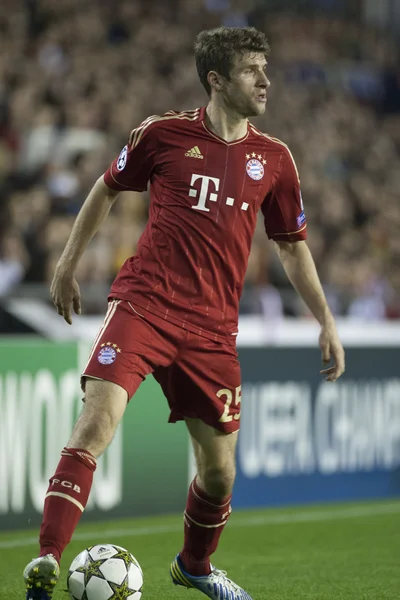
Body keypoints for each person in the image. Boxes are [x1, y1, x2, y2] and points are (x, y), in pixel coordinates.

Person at [23, 26, 345, 600]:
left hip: (213, 332)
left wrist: (325, 319)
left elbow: (291, 245)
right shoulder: (163, 134)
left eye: (265, 69)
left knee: (219, 474)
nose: (266, 81)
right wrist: (67, 265)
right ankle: (47, 560)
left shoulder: (274, 160)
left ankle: (195, 567)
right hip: (144, 305)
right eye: (252, 71)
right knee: (96, 423)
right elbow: (106, 187)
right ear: (217, 81)